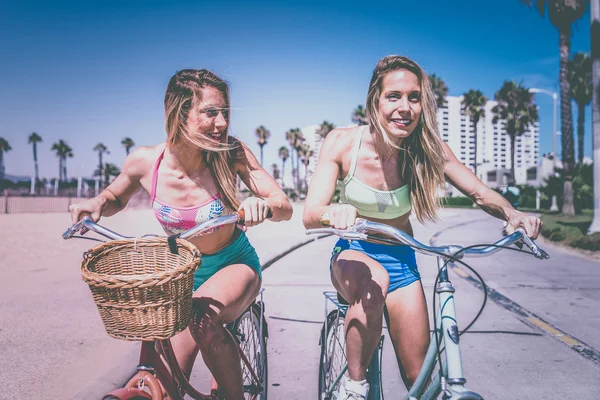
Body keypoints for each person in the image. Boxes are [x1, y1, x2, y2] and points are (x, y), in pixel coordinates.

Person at [302, 55, 542, 400]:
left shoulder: (426, 148)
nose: (406, 107)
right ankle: (352, 388)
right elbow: (310, 213)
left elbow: (479, 191)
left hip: (401, 259)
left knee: (421, 377)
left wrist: (511, 213)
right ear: (376, 100)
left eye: (414, 97)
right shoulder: (342, 143)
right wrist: (333, 212)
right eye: (394, 96)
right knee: (373, 284)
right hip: (354, 253)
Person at [69, 69, 293, 400]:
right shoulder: (147, 161)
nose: (221, 123)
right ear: (180, 113)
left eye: (224, 113)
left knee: (202, 318)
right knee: (167, 380)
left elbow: (283, 205)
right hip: (180, 273)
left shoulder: (230, 153)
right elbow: (115, 197)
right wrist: (97, 202)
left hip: (233, 264)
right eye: (210, 112)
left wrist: (262, 205)